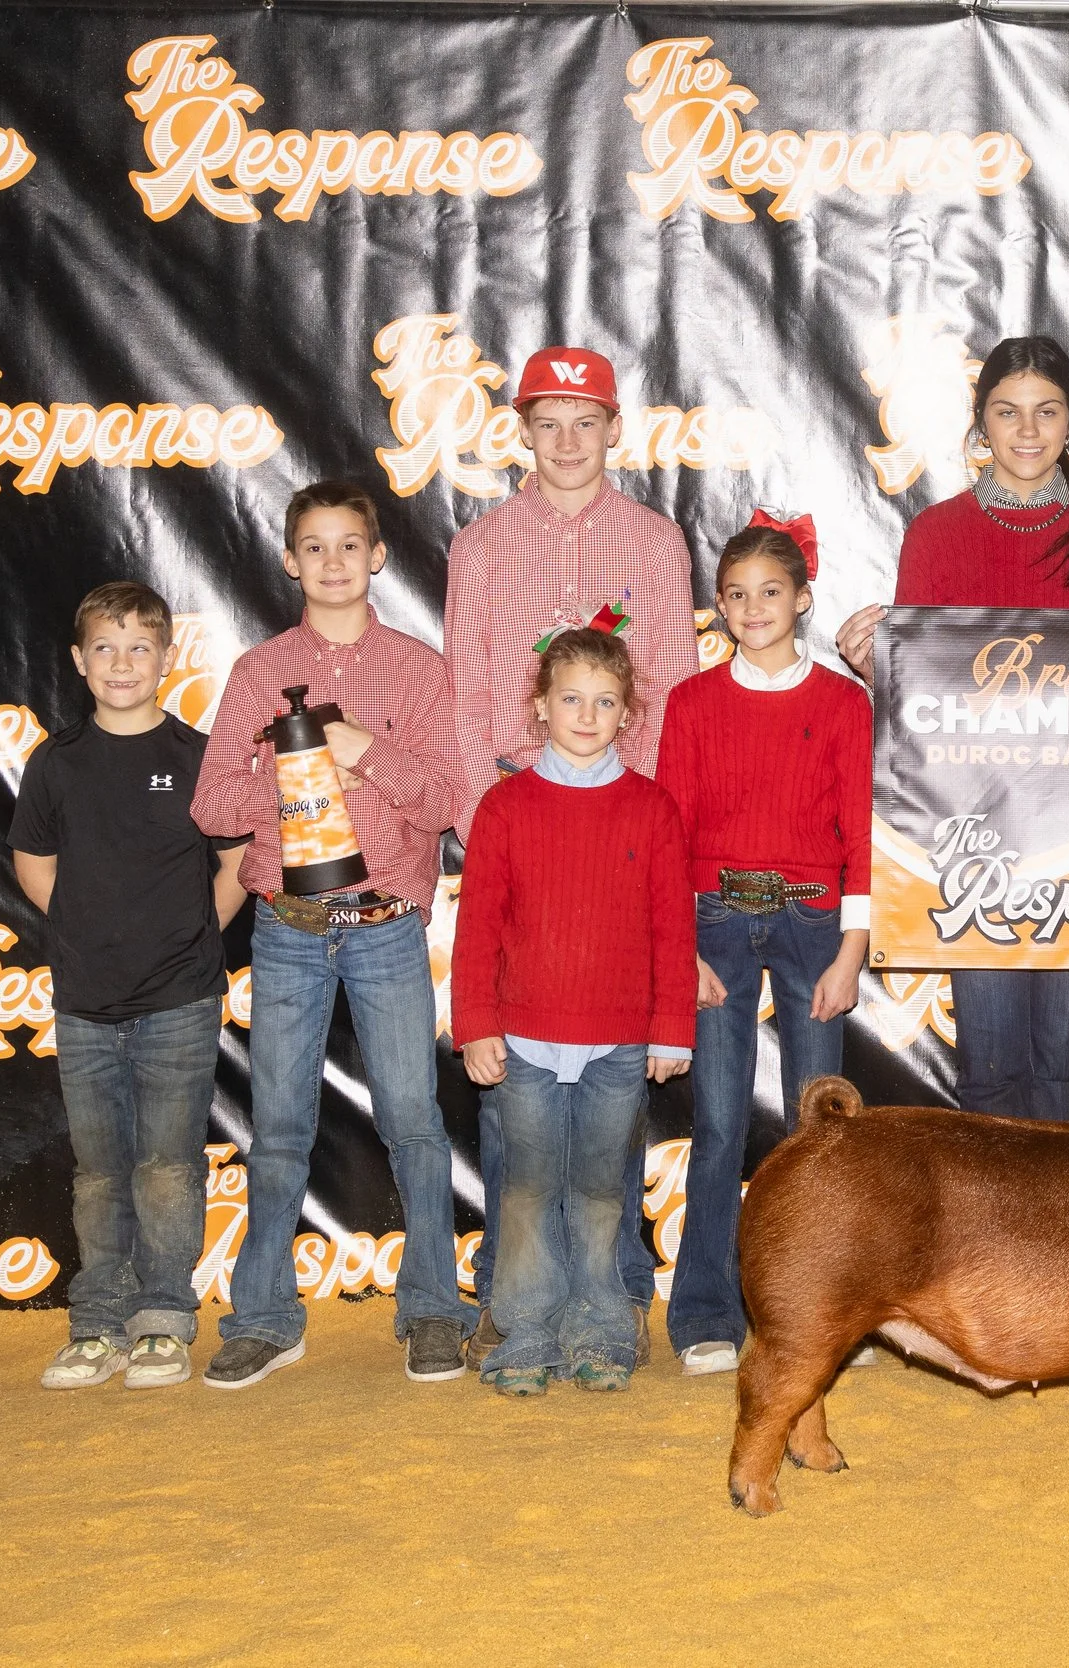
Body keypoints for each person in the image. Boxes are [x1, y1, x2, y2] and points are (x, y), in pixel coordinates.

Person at [191, 479, 478, 1388]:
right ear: (288, 561)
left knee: (415, 1125)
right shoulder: (255, 672)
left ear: (378, 556)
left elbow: (446, 803)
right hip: (288, 926)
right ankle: (266, 1316)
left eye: (349, 545)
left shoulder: (421, 672)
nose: (333, 563)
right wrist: (292, 781)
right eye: (313, 547)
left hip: (386, 924)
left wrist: (360, 751)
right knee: (277, 1128)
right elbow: (211, 804)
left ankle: (434, 1309)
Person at [442, 345, 700, 1359]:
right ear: (522, 431)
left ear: (612, 430)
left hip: (623, 827)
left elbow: (672, 686)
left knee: (604, 1105)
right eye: (546, 421)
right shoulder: (483, 547)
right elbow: (469, 690)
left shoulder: (653, 541)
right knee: (520, 1104)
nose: (565, 441)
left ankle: (610, 1305)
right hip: (520, 813)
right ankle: (520, 1307)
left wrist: (655, 829)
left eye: (583, 421)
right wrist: (486, 814)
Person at [835, 335, 1069, 1123]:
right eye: (1008, 413)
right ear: (982, 425)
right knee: (991, 1067)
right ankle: (992, 1248)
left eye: (1047, 412)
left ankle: (1057, 1245)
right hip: (970, 835)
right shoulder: (937, 534)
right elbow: (919, 698)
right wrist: (875, 663)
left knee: (1064, 1068)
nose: (1028, 430)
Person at [14, 582, 249, 1391]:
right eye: (105, 649)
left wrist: (188, 936)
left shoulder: (196, 757)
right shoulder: (55, 762)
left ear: (167, 659)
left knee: (168, 1167)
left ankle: (162, 1321)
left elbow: (236, 864)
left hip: (180, 1001)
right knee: (100, 1171)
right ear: (80, 662)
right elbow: (34, 864)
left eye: (139, 647)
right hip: (84, 1001)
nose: (123, 663)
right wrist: (89, 929)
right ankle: (97, 1324)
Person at [451, 629, 694, 1396]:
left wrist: (671, 1027)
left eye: (605, 701)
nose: (586, 715)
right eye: (570, 699)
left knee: (599, 1190)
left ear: (627, 714)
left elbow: (671, 927)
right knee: (525, 1188)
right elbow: (479, 924)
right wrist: (476, 1023)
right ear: (539, 706)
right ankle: (525, 1329)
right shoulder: (505, 806)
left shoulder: (651, 809)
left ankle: (599, 1327)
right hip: (522, 1037)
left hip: (619, 1042)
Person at [654, 522, 872, 1375]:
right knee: (715, 1122)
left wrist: (851, 948)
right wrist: (679, 944)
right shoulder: (691, 703)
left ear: (803, 598)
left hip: (815, 921)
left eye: (771, 592)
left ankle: (823, 1311)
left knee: (822, 1128)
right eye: (736, 594)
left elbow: (858, 830)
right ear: (719, 605)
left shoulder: (844, 704)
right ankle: (706, 1309)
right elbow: (669, 829)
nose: (754, 608)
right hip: (712, 919)